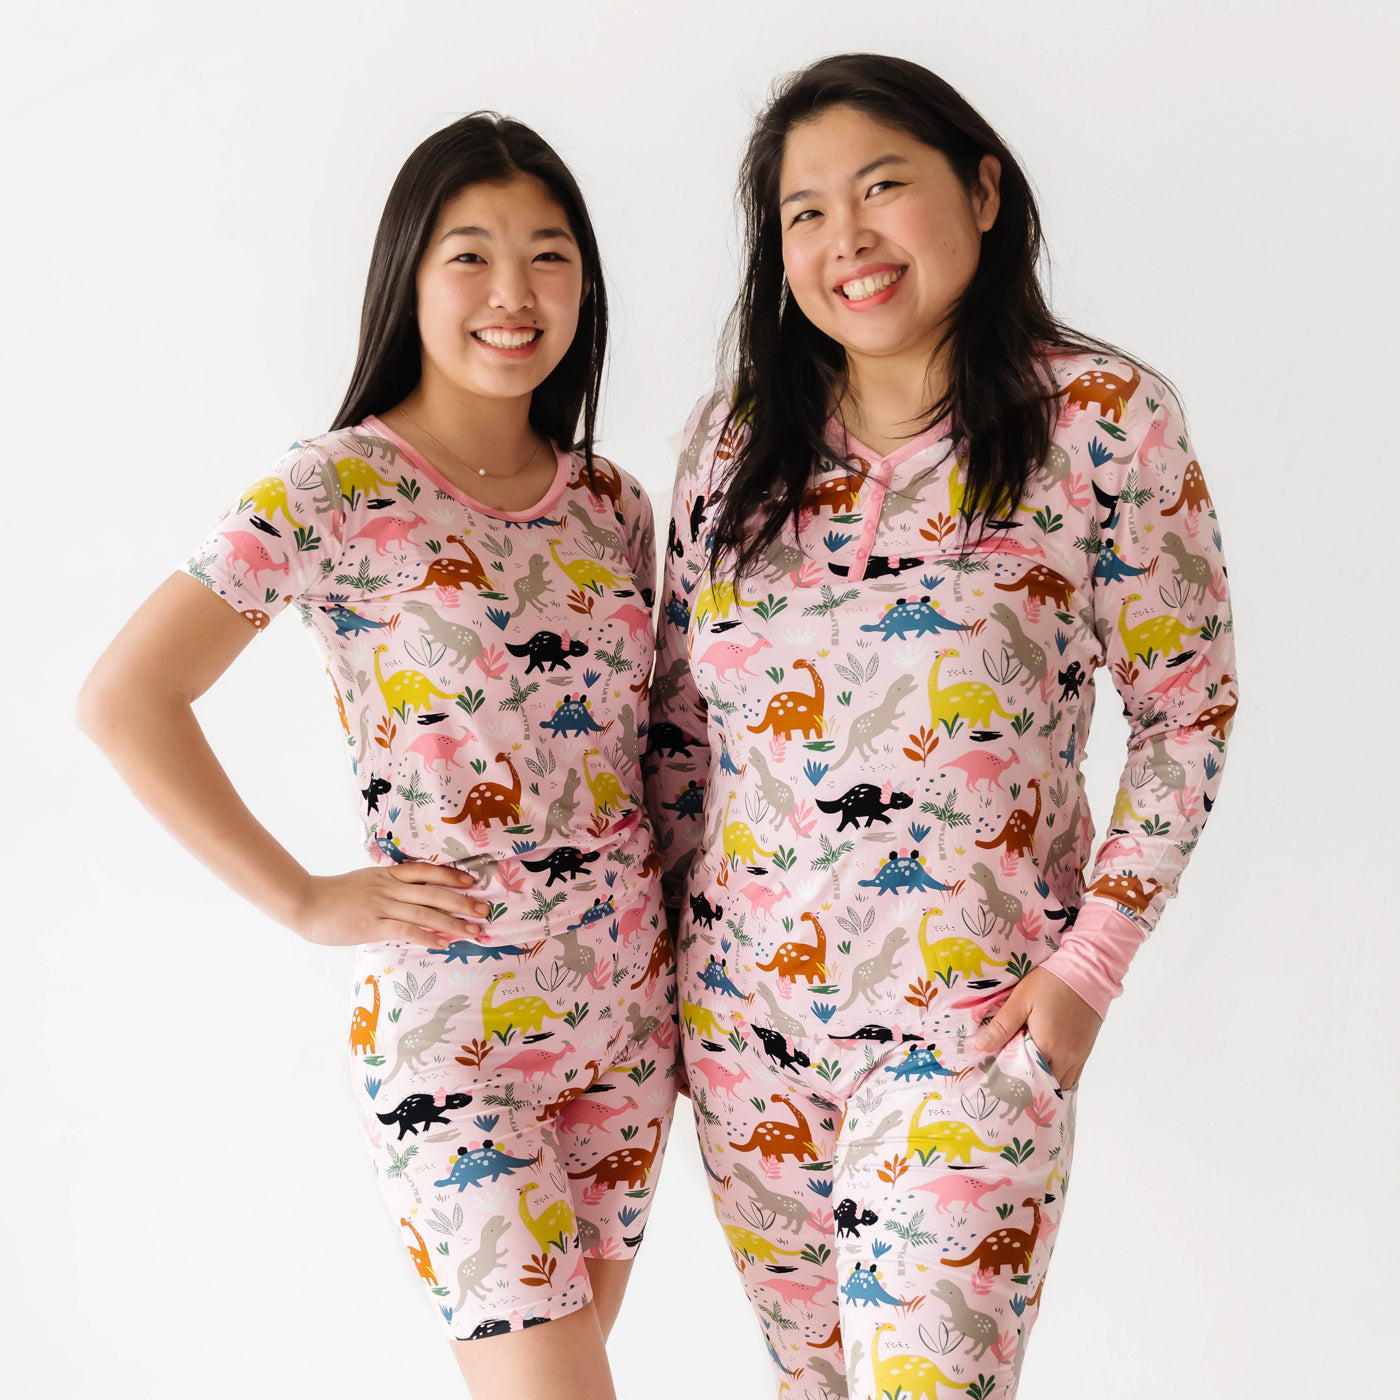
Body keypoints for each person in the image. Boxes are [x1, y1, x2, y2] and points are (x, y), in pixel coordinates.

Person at [646, 53, 1236, 1397]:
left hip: (969, 1030)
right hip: (746, 1037)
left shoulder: (1102, 423)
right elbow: (678, 730)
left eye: (881, 188)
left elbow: (1186, 707)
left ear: (982, 191)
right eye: (804, 212)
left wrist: (1087, 972)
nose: (844, 238)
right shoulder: (732, 441)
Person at [77, 112, 676, 1400]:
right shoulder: (334, 488)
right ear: (408, 273)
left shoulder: (612, 504)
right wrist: (305, 900)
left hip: (632, 1026)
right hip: (453, 1038)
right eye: (471, 255)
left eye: (550, 254)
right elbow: (127, 697)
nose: (514, 292)